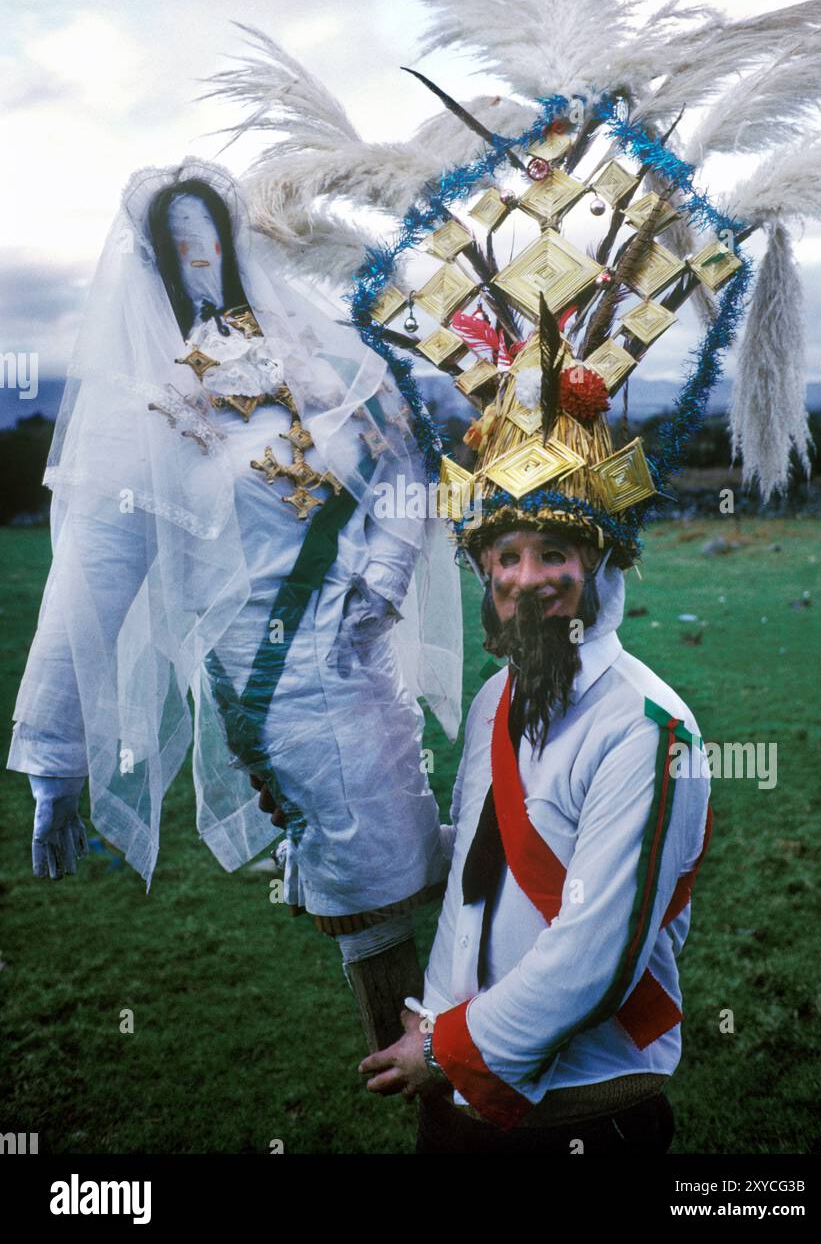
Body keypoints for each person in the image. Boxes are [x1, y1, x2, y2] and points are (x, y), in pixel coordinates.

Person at [7, 158, 462, 1031]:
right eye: (181, 250)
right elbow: (88, 584)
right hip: (276, 678)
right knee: (359, 867)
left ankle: (464, 1063)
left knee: (412, 839)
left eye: (214, 242)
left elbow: (404, 458)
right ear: (154, 266)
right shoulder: (143, 411)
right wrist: (56, 766)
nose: (203, 262)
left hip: (366, 665)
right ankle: (414, 1070)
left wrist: (385, 569)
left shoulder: (318, 366)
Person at [358, 329, 713, 1153]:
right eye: (504, 556)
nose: (525, 581)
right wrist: (346, 827)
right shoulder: (495, 698)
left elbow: (597, 951)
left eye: (554, 552)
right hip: (456, 1089)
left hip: (583, 1101)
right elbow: (481, 868)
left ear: (599, 567)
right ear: (482, 572)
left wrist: (443, 1051)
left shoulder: (647, 728)